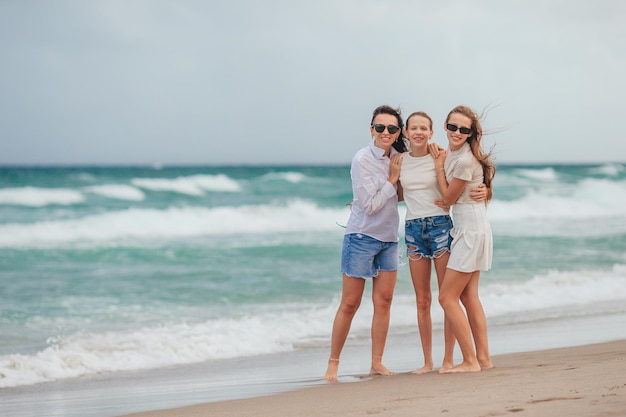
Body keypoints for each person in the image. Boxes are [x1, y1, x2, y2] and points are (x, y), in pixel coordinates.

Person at [399, 111, 488, 374]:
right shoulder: (399, 161)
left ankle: (450, 360)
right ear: (405, 132)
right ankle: (430, 361)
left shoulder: (442, 156)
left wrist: (488, 190)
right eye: (413, 128)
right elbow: (396, 194)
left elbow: (462, 187)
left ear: (431, 131)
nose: (418, 132)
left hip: (442, 227)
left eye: (423, 128)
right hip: (413, 229)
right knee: (424, 299)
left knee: (449, 296)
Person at [324, 105, 407, 381]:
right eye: (380, 127)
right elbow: (370, 205)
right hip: (361, 236)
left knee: (384, 301)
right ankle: (333, 365)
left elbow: (406, 193)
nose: (386, 132)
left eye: (392, 128)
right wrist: (393, 180)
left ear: (398, 132)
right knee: (350, 303)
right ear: (371, 130)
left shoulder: (399, 157)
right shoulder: (362, 159)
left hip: (389, 239)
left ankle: (377, 364)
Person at [433, 105, 496, 373]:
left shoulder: (464, 160)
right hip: (473, 227)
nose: (457, 132)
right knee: (469, 297)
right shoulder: (456, 155)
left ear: (471, 134)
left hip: (470, 231)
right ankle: (483, 358)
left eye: (463, 129)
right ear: (445, 126)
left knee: (447, 298)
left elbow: (447, 200)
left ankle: (470, 361)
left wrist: (438, 168)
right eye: (452, 127)